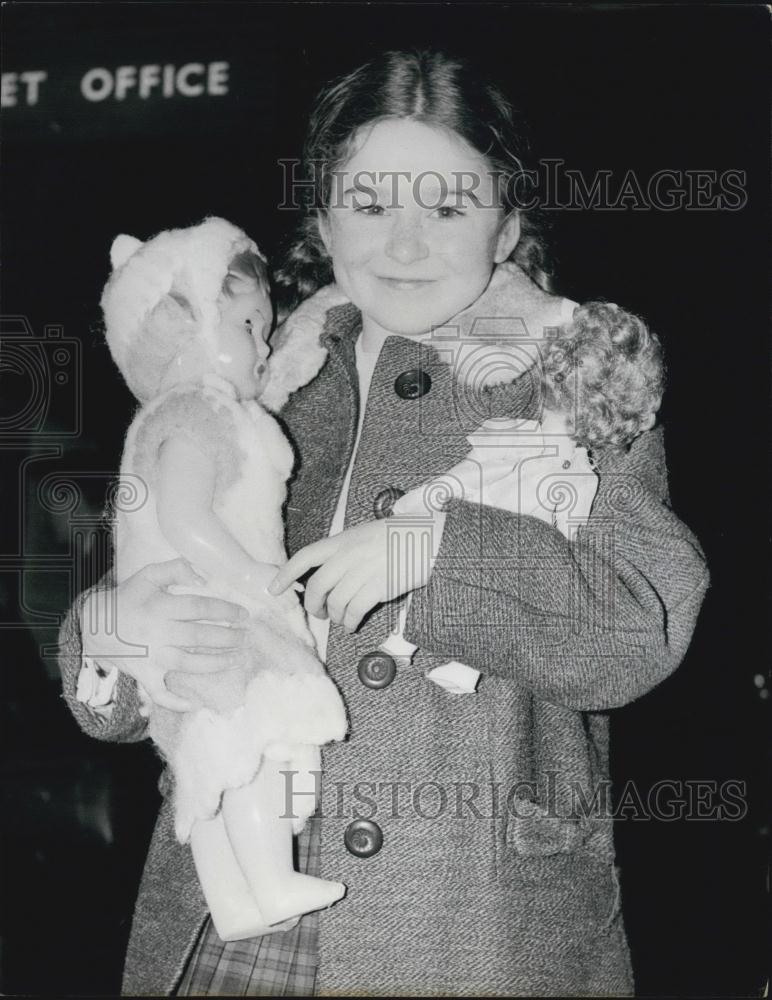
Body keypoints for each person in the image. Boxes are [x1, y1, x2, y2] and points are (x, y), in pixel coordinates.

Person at [58, 49, 709, 996]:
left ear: (509, 223)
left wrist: (436, 548)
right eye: (368, 206)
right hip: (231, 914)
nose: (405, 244)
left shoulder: (574, 377)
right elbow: (114, 682)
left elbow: (638, 629)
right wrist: (120, 629)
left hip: (471, 928)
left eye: (447, 208)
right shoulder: (257, 387)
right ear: (322, 222)